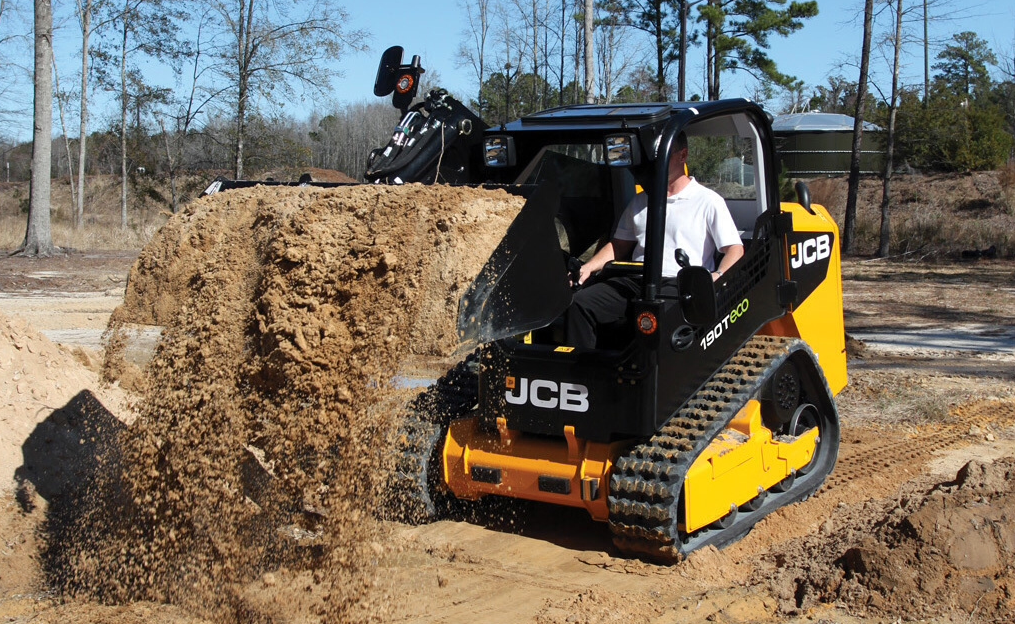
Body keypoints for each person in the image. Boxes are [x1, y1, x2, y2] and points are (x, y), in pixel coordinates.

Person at [565, 132, 745, 349]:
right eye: (654, 157)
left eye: (663, 156)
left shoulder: (708, 201)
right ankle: (585, 375)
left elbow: (734, 249)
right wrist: (588, 267)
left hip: (678, 284)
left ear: (683, 155)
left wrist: (716, 277)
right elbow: (619, 245)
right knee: (579, 304)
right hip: (635, 279)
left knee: (654, 315)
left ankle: (651, 377)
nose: (656, 164)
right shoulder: (640, 202)